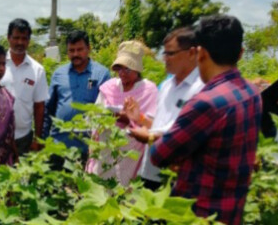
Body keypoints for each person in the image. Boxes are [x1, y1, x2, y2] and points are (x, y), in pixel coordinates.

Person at [149, 15, 262, 225]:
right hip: (230, 215)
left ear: (200, 53)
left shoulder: (206, 103)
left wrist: (178, 157)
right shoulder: (251, 92)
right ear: (240, 53)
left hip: (197, 218)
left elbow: (159, 154)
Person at [129, 28, 204, 189]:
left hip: (176, 176)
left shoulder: (201, 89)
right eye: (165, 54)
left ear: (191, 53)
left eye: (170, 54)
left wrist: (148, 137)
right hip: (150, 171)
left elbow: (186, 136)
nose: (165, 59)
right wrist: (140, 118)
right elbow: (161, 125)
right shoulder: (167, 85)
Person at [86, 40, 158, 185]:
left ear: (137, 69)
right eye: (119, 68)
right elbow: (93, 115)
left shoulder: (148, 90)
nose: (122, 73)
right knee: (100, 188)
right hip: (105, 151)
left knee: (124, 194)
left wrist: (127, 118)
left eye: (127, 69)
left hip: (130, 154)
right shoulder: (109, 86)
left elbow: (152, 125)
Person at [44, 30, 111, 162]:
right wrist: (45, 140)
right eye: (71, 50)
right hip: (59, 146)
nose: (75, 54)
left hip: (88, 149)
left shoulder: (101, 74)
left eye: (79, 50)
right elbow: (48, 109)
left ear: (88, 49)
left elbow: (106, 112)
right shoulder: (59, 74)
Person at [1, 19, 48, 155]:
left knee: (22, 175)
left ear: (29, 40)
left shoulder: (37, 70)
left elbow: (39, 106)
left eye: (24, 38)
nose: (20, 42)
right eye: (16, 38)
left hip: (23, 137)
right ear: (8, 38)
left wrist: (37, 138)